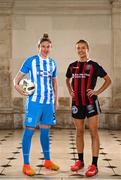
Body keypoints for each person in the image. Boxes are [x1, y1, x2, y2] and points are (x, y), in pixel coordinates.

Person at [14, 33, 60, 176]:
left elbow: (54, 82)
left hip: (48, 103)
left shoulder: (53, 63)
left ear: (51, 48)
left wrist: (56, 99)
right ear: (38, 47)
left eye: (48, 47)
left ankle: (47, 160)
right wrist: (20, 90)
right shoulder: (30, 61)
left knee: (45, 132)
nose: (45, 49)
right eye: (43, 46)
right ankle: (26, 164)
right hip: (34, 103)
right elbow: (16, 80)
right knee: (29, 130)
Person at [66, 39, 111, 177]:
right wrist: (70, 91)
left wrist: (97, 92)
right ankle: (80, 161)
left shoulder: (94, 65)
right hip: (77, 103)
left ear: (87, 49)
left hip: (91, 103)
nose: (80, 50)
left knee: (93, 133)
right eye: (78, 48)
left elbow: (108, 80)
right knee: (79, 132)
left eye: (83, 47)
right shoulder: (72, 66)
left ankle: (94, 164)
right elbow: (67, 79)